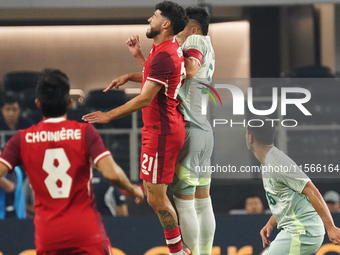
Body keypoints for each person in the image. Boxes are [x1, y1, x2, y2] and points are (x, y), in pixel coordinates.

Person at [104, 6, 215, 255]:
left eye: (183, 28)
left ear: (194, 29)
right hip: (203, 129)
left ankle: (188, 253)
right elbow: (163, 76)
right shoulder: (205, 46)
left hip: (188, 126)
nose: (179, 34)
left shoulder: (195, 40)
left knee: (185, 203)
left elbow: (187, 71)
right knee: (202, 201)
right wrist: (139, 67)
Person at [82, 2, 189, 254]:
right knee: (158, 197)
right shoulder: (164, 48)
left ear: (166, 24)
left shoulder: (164, 54)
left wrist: (109, 115)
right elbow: (157, 77)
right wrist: (133, 70)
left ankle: (178, 251)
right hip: (162, 127)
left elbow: (145, 98)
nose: (149, 20)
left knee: (156, 199)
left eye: (154, 16)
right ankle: (180, 248)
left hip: (161, 132)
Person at [0, 69, 144, 255]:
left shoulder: (21, 139)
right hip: (85, 232)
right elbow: (111, 173)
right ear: (69, 103)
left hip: (48, 236)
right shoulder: (85, 132)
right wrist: (133, 189)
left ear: (38, 103)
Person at [245, 116, 340, 255]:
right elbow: (288, 200)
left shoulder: (278, 163)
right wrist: (271, 223)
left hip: (303, 232)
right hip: (299, 231)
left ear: (250, 137)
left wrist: (331, 227)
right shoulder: (270, 162)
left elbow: (312, 190)